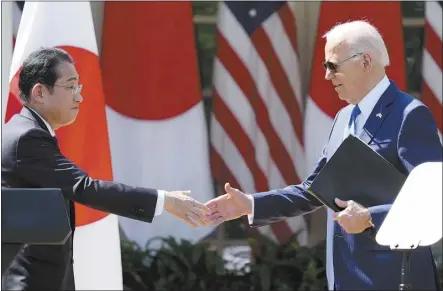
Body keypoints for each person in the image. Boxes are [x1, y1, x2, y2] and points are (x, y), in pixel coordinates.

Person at [206, 20, 442, 290]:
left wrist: (369, 217)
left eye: (333, 66)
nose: (327, 76)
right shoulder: (343, 118)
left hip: (395, 275)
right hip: (344, 277)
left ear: (365, 61)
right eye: (325, 67)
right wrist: (250, 204)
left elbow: (433, 199)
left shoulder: (410, 115)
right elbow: (314, 190)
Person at [1, 47, 210, 290]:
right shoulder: (27, 139)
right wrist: (165, 201)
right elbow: (86, 188)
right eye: (70, 87)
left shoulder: (24, 131)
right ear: (39, 92)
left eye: (78, 88)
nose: (78, 97)